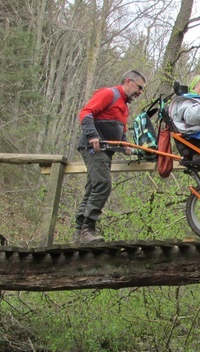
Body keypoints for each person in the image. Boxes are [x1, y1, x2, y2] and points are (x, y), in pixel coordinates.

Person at [73, 70, 147, 243]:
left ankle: (79, 232)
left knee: (93, 188)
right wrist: (92, 136)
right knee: (103, 185)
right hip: (94, 149)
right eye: (139, 88)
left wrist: (125, 144)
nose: (140, 93)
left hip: (107, 151)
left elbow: (120, 128)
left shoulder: (124, 106)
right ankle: (87, 229)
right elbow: (86, 113)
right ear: (129, 81)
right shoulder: (109, 94)